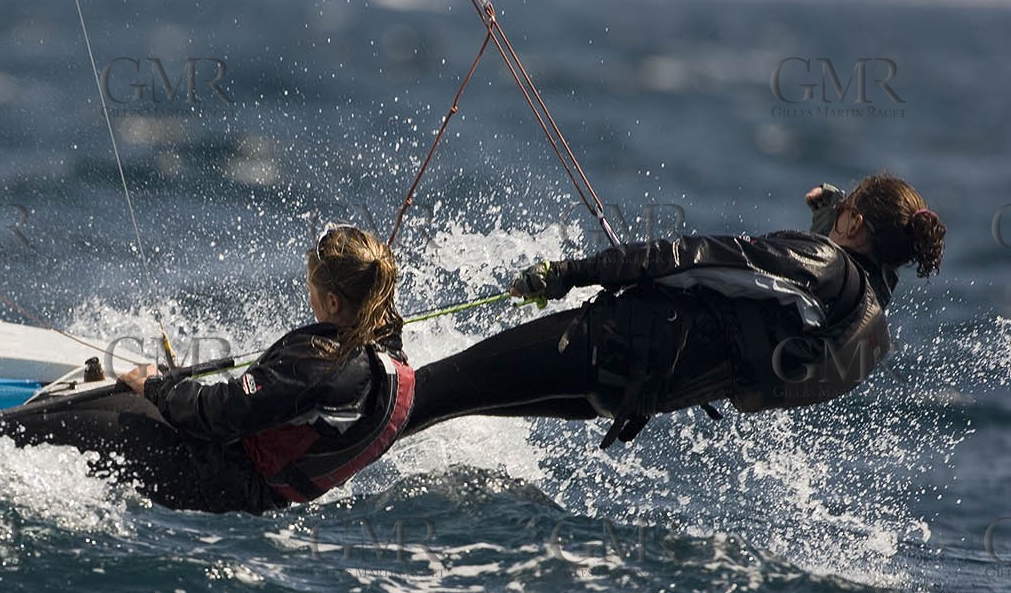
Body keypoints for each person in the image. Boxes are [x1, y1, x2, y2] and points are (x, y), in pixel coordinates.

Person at [404, 173, 946, 447]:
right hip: (627, 393)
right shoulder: (865, 322)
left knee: (430, 391)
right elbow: (771, 330)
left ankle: (326, 453)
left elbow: (695, 261)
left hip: (606, 344)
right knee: (446, 404)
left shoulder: (823, 266)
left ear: (854, 226)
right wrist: (824, 233)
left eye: (846, 209)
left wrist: (571, 273)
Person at [0, 225, 415, 513]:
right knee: (114, 403)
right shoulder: (383, 355)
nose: (311, 300)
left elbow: (218, 413)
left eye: (313, 291)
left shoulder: (325, 363)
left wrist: (157, 385)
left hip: (227, 483)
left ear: (335, 303)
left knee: (91, 420)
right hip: (242, 474)